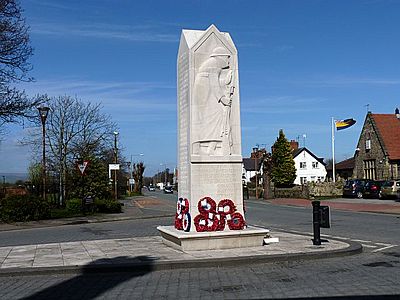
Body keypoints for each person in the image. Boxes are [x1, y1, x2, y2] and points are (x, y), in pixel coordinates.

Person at [192, 46, 234, 156]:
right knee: (216, 116)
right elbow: (214, 83)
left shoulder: (211, 63)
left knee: (215, 117)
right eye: (227, 58)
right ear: (221, 57)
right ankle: (204, 148)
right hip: (206, 92)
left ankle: (211, 148)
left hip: (205, 91)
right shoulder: (214, 63)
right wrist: (222, 98)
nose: (229, 61)